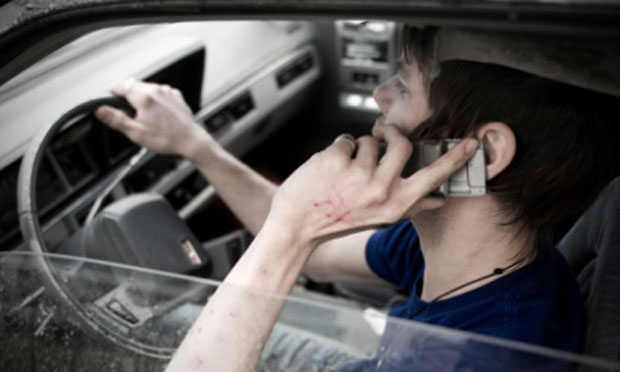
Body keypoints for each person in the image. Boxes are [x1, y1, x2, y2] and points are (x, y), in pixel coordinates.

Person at [95, 25, 619, 371]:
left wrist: (291, 230)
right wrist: (197, 147)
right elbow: (321, 256)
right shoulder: (476, 246)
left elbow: (302, 242)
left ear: (481, 151)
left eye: (406, 88)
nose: (379, 96)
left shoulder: (469, 361)